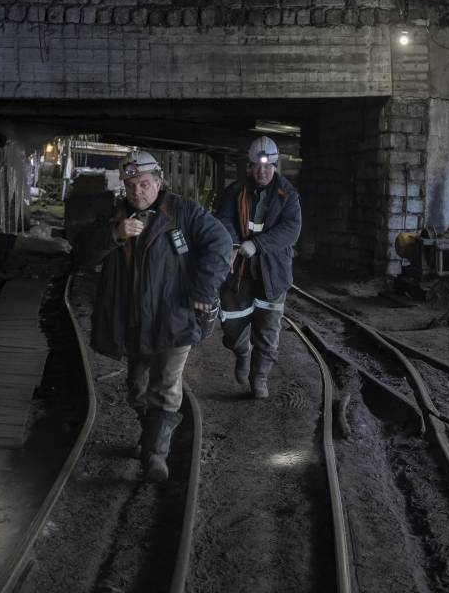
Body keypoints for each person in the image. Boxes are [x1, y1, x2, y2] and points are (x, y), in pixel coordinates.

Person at [74, 149, 231, 482]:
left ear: (158, 182)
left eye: (144, 184)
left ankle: (156, 457)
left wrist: (204, 291)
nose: (138, 193)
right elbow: (82, 255)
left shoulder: (183, 213)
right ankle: (151, 438)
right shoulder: (113, 216)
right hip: (133, 322)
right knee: (137, 387)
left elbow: (219, 242)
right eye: (131, 186)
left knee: (165, 384)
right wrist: (115, 236)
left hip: (173, 319)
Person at [217, 135, 301, 399]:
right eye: (256, 165)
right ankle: (242, 350)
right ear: (250, 166)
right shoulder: (235, 191)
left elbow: (291, 229)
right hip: (239, 273)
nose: (262, 171)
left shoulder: (288, 195)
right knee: (231, 327)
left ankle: (260, 378)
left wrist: (258, 244)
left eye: (267, 166)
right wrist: (232, 244)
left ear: (275, 165)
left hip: (272, 274)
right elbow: (223, 219)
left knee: (268, 330)